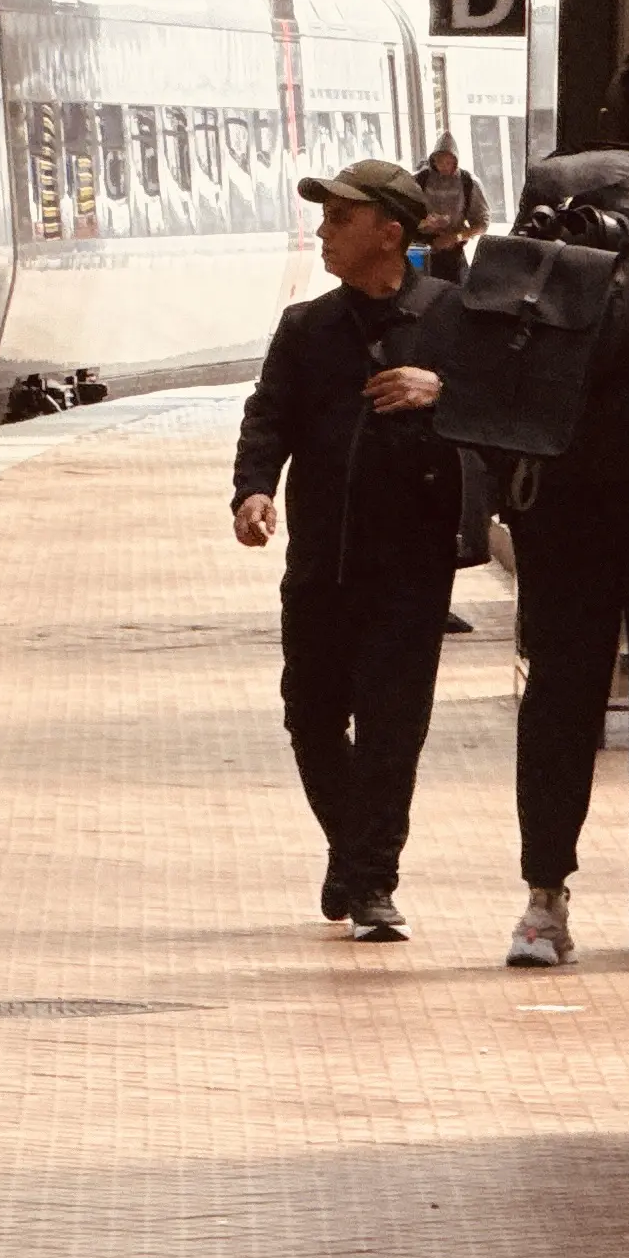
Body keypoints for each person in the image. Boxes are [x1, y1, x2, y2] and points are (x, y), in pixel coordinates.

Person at [233, 155, 461, 944]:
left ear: (389, 233)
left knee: (394, 728)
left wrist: (444, 390)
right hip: (321, 563)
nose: (324, 234)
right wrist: (253, 489)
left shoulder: (452, 319)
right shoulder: (308, 328)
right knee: (312, 716)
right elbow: (270, 417)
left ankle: (371, 884)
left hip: (411, 565)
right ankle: (351, 850)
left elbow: (511, 412)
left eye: (340, 220)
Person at [504, 49, 629, 971]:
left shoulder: (551, 201)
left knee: (559, 697)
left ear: (605, 112)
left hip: (559, 489)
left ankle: (545, 901)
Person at [414, 138, 488, 275]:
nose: (444, 166)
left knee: (454, 292)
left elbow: (482, 223)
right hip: (421, 250)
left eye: (449, 162)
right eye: (440, 162)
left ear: (456, 161)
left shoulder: (468, 183)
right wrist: (423, 225)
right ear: (433, 160)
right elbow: (405, 214)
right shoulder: (419, 181)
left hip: (453, 250)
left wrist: (457, 236)